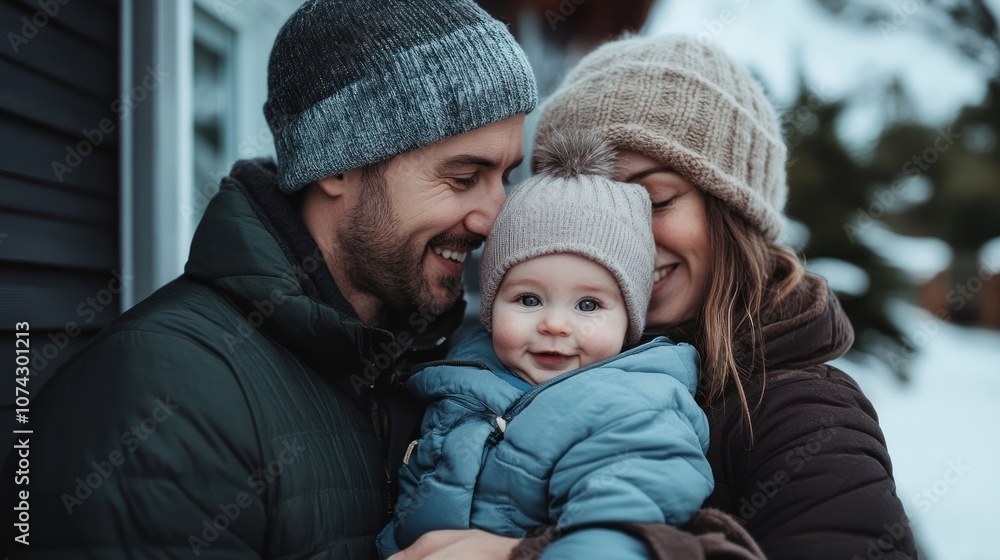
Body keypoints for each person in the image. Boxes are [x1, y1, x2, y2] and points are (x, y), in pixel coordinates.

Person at [0, 0, 536, 557]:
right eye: (464, 177)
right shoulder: (161, 397)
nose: (493, 219)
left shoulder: (421, 366)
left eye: (503, 177)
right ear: (338, 163)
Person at [397, 35, 919, 560]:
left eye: (653, 199)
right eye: (586, 206)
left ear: (732, 212)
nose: (621, 238)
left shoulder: (802, 415)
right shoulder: (488, 368)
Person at [377, 131, 714, 560]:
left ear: (630, 319)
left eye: (588, 304)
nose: (554, 324)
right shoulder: (455, 384)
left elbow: (616, 535)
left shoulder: (635, 412)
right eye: (529, 299)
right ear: (492, 306)